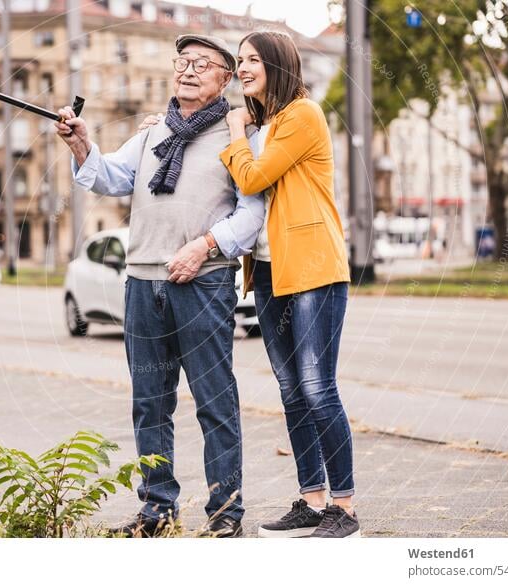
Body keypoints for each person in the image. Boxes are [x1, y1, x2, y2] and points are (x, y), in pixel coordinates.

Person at [55, 34, 264, 538]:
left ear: (224, 78)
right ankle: (157, 511)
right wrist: (82, 142)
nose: (188, 71)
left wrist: (206, 247)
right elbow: (107, 176)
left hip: (204, 285)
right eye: (182, 62)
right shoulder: (153, 133)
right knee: (149, 402)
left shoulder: (239, 137)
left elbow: (252, 211)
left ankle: (226, 513)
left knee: (215, 401)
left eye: (203, 64)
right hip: (142, 284)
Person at [221, 31, 359, 538]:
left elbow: (253, 178)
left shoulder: (302, 114)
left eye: (253, 59)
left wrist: (236, 128)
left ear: (278, 65)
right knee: (291, 391)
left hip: (313, 266)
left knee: (318, 388)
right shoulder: (267, 123)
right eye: (239, 60)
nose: (242, 68)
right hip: (272, 271)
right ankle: (311, 500)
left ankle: (343, 509)